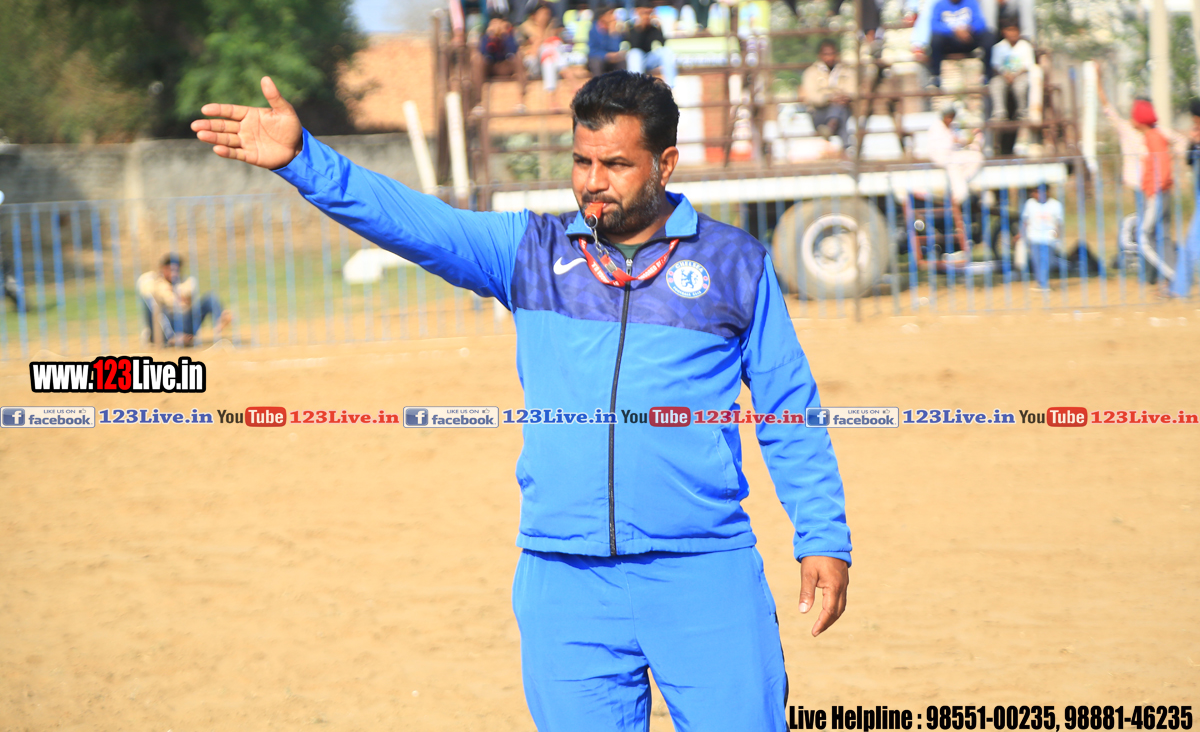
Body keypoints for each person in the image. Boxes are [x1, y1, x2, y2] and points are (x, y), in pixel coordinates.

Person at [191, 70, 852, 732]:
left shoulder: (736, 263)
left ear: (665, 163)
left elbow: (788, 408)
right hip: (564, 579)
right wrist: (305, 160)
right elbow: (416, 223)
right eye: (582, 162)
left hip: (703, 570)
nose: (594, 181)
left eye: (616, 164)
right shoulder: (530, 252)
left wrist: (822, 535)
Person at [139, 253, 231, 346]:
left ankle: (221, 318)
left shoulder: (186, 281)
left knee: (210, 297)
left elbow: (186, 296)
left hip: (186, 321)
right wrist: (159, 281)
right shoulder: (155, 283)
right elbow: (144, 288)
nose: (174, 273)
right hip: (166, 324)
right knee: (152, 303)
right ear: (164, 269)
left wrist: (171, 290)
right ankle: (171, 337)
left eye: (177, 270)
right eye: (171, 270)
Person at [1130, 98, 1176, 284]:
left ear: (1140, 119)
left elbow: (1163, 166)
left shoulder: (1153, 137)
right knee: (1162, 238)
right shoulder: (1152, 136)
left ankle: (1175, 277)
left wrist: (1155, 190)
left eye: (1133, 116)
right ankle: (1175, 277)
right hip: (1160, 193)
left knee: (1144, 237)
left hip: (1157, 194)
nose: (1131, 120)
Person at [927, 0, 994, 85]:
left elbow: (980, 22)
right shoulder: (939, 4)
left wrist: (969, 29)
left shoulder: (971, 0)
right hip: (950, 42)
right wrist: (954, 31)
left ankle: (987, 74)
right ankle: (936, 76)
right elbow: (934, 25)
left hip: (968, 39)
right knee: (935, 39)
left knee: (989, 35)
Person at [1168, 98, 1200, 297]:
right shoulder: (1196, 134)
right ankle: (1179, 288)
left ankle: (1179, 289)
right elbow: (1190, 161)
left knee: (1192, 244)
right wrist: (1193, 143)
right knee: (1192, 243)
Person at [802, 39, 855, 148]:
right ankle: (846, 146)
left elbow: (853, 90)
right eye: (826, 54)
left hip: (843, 107)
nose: (829, 57)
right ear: (820, 55)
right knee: (839, 110)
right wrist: (829, 98)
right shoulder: (811, 72)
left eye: (832, 54)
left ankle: (830, 127)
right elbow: (812, 96)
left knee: (839, 108)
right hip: (820, 112)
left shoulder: (846, 70)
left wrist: (842, 97)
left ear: (837, 54)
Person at [927, 105, 983, 204]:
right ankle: (958, 197)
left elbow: (957, 142)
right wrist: (956, 142)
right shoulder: (936, 127)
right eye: (948, 117)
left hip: (953, 156)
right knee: (954, 167)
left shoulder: (951, 127)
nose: (950, 120)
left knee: (977, 157)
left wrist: (964, 142)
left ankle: (962, 182)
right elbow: (942, 148)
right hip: (942, 157)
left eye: (952, 117)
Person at [988, 17, 1033, 122]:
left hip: (1020, 75)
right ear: (1004, 32)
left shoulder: (1025, 46)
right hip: (1004, 76)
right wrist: (1006, 75)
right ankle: (999, 114)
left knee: (1020, 86)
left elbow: (1027, 65)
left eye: (1014, 30)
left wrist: (1015, 75)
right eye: (1009, 30)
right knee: (995, 84)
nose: (1012, 33)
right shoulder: (999, 47)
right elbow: (996, 66)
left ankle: (1022, 113)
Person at [518, 1, 567, 93]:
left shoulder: (553, 28)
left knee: (550, 51)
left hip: (548, 62)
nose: (545, 17)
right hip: (531, 63)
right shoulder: (524, 29)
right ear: (534, 15)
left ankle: (551, 89)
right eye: (542, 14)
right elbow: (519, 49)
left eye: (547, 14)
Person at [1021, 187, 1064, 290]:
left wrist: (1058, 234)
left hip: (1049, 238)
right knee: (1036, 261)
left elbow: (1059, 223)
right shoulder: (1029, 204)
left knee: (1048, 261)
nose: (1037, 195)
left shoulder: (1056, 205)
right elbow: (1025, 221)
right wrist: (1021, 234)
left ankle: (1043, 282)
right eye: (1035, 192)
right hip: (1034, 237)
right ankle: (1042, 283)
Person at [626, 5, 678, 87]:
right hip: (637, 59)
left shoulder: (654, 28)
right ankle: (636, 86)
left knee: (666, 51)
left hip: (650, 58)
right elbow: (634, 45)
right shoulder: (632, 27)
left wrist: (659, 27)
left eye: (648, 13)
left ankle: (670, 86)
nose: (646, 16)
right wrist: (640, 27)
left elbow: (662, 44)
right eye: (644, 13)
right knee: (635, 53)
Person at [475, 17, 527, 98]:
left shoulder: (508, 36)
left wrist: (504, 35)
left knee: (518, 57)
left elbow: (513, 51)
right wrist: (491, 38)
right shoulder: (485, 37)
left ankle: (523, 93)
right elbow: (484, 52)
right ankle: (477, 97)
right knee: (478, 60)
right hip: (491, 66)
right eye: (493, 24)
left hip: (505, 66)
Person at [587, 5, 625, 76]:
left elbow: (615, 49)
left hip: (612, 59)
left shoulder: (615, 28)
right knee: (596, 62)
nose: (613, 16)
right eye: (610, 14)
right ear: (602, 17)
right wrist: (606, 55)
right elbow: (592, 51)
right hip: (599, 58)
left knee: (622, 61)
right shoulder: (593, 30)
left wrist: (613, 34)